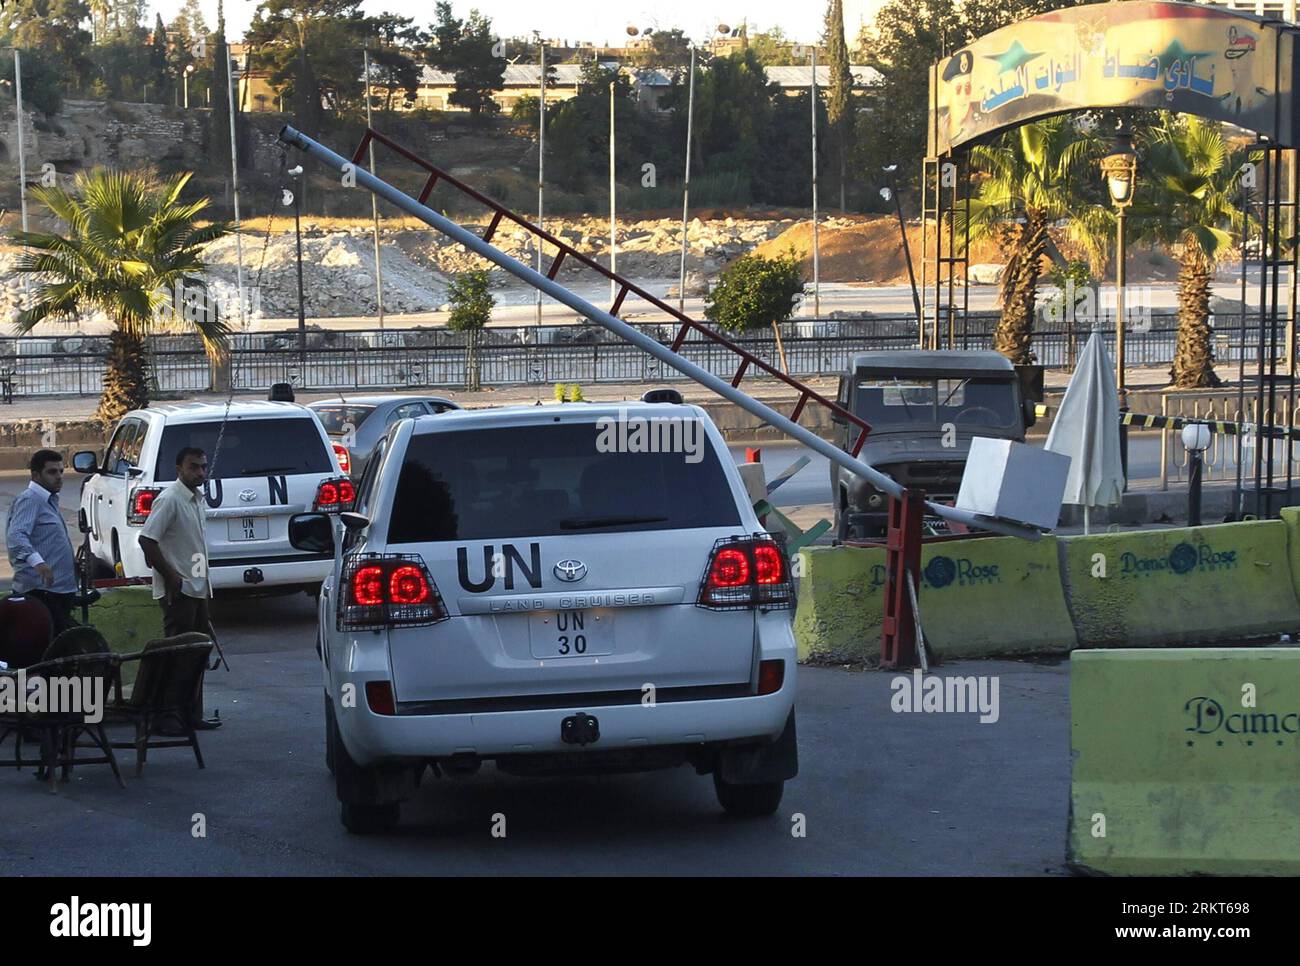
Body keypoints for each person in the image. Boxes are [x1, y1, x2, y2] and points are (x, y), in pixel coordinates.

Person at [138, 446, 220, 729]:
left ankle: (191, 715)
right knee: (177, 655)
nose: (199, 472)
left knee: (197, 655)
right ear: (179, 469)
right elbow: (147, 539)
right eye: (193, 467)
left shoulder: (196, 499)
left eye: (202, 467)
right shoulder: (170, 499)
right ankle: (166, 717)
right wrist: (171, 575)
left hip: (198, 588)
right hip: (179, 590)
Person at [6, 449, 79, 638]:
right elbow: (16, 536)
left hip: (58, 591)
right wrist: (38, 562)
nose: (59, 477)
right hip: (41, 593)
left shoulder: (48, 500)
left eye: (61, 471)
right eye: (52, 472)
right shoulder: (30, 500)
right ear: (36, 475)